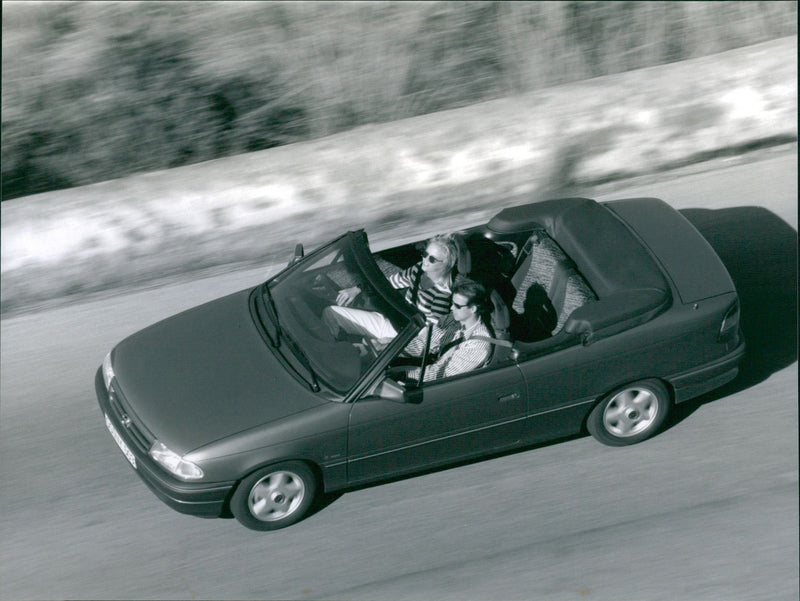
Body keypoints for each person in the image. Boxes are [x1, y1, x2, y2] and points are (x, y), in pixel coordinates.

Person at [323, 234, 460, 342]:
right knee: (330, 313)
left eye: (432, 259)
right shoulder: (418, 269)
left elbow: (429, 335)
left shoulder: (443, 295)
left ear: (446, 264)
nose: (425, 260)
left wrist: (390, 343)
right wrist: (357, 289)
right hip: (392, 317)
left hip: (404, 335)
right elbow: (389, 282)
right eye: (425, 254)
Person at [399, 279, 494, 383]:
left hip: (439, 384)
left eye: (457, 306)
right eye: (452, 303)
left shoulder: (477, 346)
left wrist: (404, 374)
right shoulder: (452, 319)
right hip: (430, 367)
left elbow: (443, 374)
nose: (451, 307)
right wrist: (395, 350)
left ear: (473, 309)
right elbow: (424, 343)